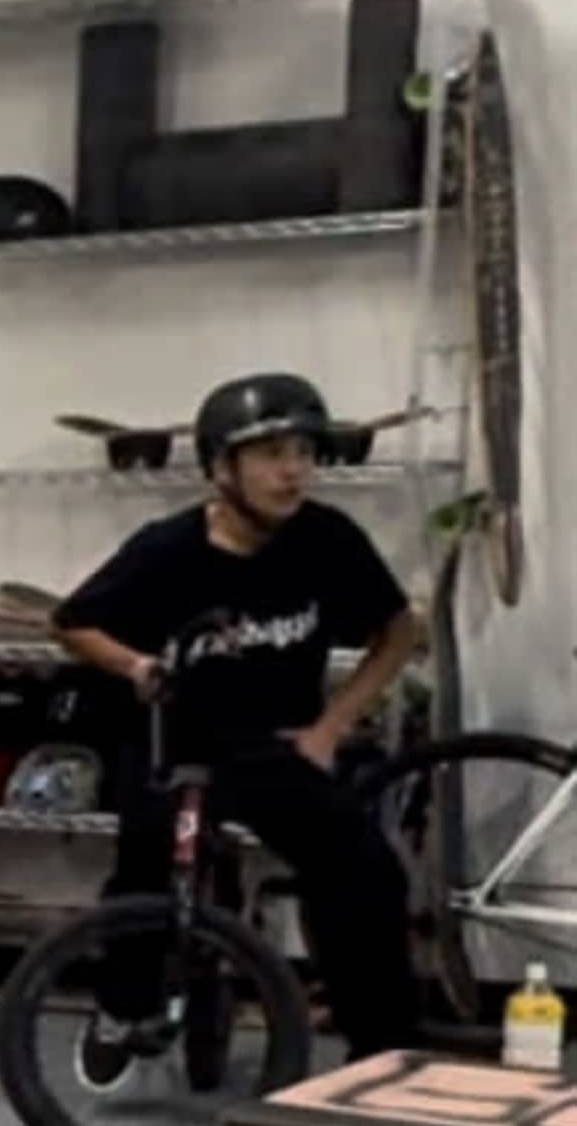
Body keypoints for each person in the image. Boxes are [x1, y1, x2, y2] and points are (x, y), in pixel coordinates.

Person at [54, 368, 425, 1064]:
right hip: (176, 741)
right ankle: (123, 1008)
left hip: (275, 745)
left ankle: (381, 1050)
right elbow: (73, 623)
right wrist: (134, 665)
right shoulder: (168, 547)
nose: (293, 472)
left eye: (304, 453)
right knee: (146, 861)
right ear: (222, 467)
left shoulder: (328, 539)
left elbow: (398, 629)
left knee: (364, 869)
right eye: (271, 455)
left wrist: (331, 728)